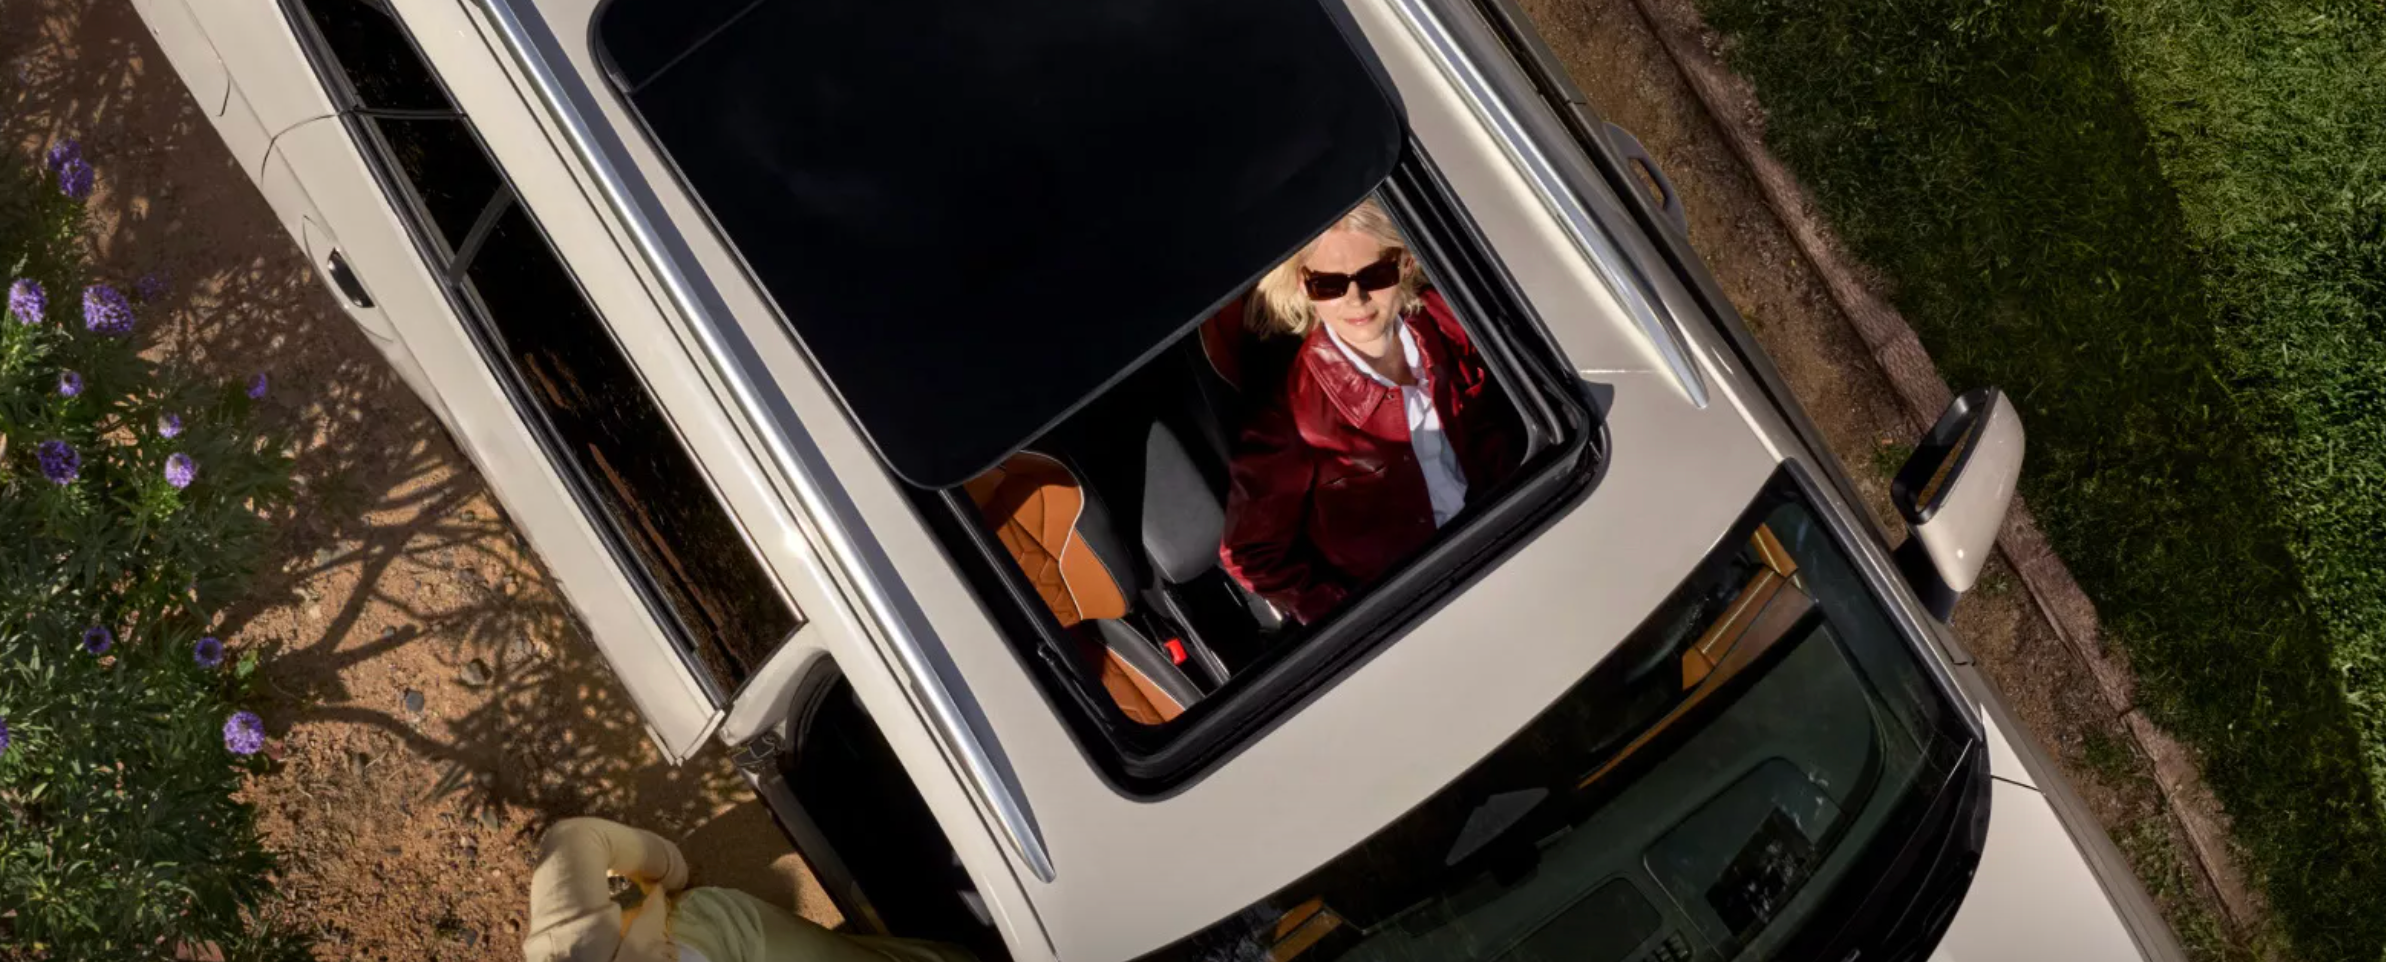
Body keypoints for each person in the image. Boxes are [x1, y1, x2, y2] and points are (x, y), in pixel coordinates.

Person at [1219, 199, 1520, 625]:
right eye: (1329, 284)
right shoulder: (1291, 415)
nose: (1355, 299)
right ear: (1305, 287)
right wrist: (1359, 618)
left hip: (1514, 535)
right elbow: (1250, 554)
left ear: (1406, 265)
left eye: (1374, 276)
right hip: (1420, 609)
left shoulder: (1453, 324)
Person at [523, 817, 973, 962]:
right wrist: (668, 872)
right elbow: (572, 839)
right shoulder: (564, 942)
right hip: (713, 931)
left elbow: (572, 840)